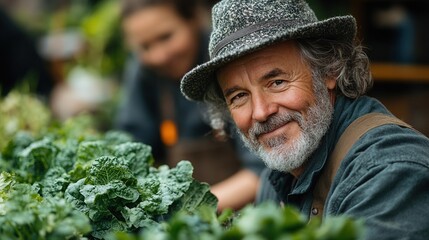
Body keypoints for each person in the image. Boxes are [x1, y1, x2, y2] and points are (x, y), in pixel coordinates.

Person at [180, 0, 429, 238]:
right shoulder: (276, 177)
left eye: (277, 82)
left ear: (328, 70)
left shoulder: (387, 171)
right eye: (239, 96)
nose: (260, 112)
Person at [115, 0, 265, 211]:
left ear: (194, 19)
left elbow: (264, 172)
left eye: (166, 37)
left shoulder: (231, 61)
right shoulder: (146, 73)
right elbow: (131, 148)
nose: (159, 55)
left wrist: (184, 210)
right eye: (145, 46)